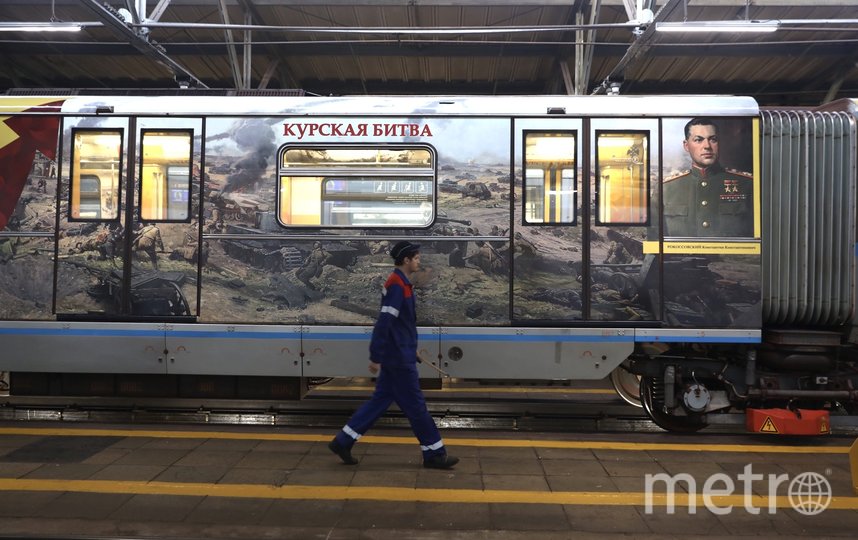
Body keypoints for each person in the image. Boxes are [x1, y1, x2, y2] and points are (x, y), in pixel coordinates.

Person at [328, 240, 459, 470]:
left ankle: (343, 441)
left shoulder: (401, 283)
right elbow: (384, 322)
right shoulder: (397, 285)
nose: (419, 261)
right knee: (416, 407)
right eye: (416, 258)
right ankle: (434, 454)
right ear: (406, 260)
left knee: (379, 402)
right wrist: (376, 355)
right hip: (398, 359)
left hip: (400, 353)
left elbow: (399, 324)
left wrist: (410, 346)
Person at [663, 117, 754, 237]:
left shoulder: (748, 185)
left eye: (713, 139)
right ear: (686, 146)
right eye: (698, 140)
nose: (707, 146)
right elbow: (654, 242)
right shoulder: (666, 189)